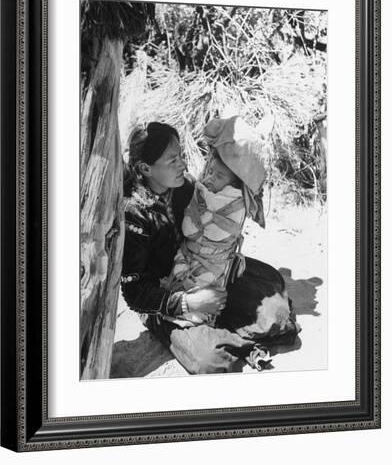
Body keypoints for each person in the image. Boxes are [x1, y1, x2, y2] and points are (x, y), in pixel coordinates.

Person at [121, 120, 300, 375]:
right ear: (145, 168)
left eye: (181, 155)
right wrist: (190, 302)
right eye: (172, 161)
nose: (182, 164)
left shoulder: (183, 187)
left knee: (277, 311)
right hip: (167, 296)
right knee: (212, 361)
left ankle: (222, 323)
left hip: (207, 269)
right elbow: (134, 292)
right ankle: (235, 340)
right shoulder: (134, 216)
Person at [162, 116, 267, 327]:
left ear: (235, 185)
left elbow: (190, 229)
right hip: (201, 262)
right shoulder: (216, 190)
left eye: (217, 176)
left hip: (209, 265)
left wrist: (200, 192)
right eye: (210, 172)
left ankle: (195, 311)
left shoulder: (229, 201)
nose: (209, 179)